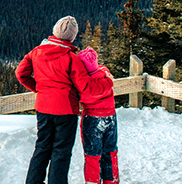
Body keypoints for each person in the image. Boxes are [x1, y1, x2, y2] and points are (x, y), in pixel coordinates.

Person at [15, 16, 105, 184]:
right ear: (72, 37)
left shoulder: (36, 52)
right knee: (61, 152)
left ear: (54, 31)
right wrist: (105, 81)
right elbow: (85, 87)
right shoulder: (71, 58)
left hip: (43, 107)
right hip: (66, 110)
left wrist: (39, 88)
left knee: (42, 147)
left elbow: (20, 74)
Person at [77, 46, 118, 184]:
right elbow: (102, 68)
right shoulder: (105, 76)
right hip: (110, 117)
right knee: (110, 152)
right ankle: (111, 180)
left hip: (92, 119)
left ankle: (93, 181)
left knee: (92, 155)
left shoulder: (83, 83)